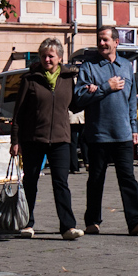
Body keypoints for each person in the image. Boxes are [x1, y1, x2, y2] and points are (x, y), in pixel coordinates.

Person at [74, 26, 138, 236]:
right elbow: (78, 99)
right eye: (99, 40)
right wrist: (104, 87)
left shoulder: (127, 66)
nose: (101, 43)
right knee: (96, 179)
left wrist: (134, 128)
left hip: (123, 133)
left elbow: (131, 101)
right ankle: (92, 221)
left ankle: (135, 220)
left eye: (105, 40)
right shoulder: (88, 67)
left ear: (116, 43)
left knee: (128, 178)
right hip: (98, 133)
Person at [10, 38, 84, 240]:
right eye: (43, 55)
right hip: (33, 139)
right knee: (30, 182)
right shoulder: (30, 79)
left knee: (61, 183)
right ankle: (26, 223)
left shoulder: (68, 79)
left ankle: (68, 227)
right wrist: (15, 141)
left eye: (51, 55)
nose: (47, 59)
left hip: (61, 138)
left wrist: (91, 92)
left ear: (60, 58)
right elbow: (19, 113)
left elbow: (75, 105)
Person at [69, 109, 87, 174]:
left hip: (71, 117)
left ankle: (74, 167)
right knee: (83, 141)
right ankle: (87, 162)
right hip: (82, 116)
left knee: (72, 143)